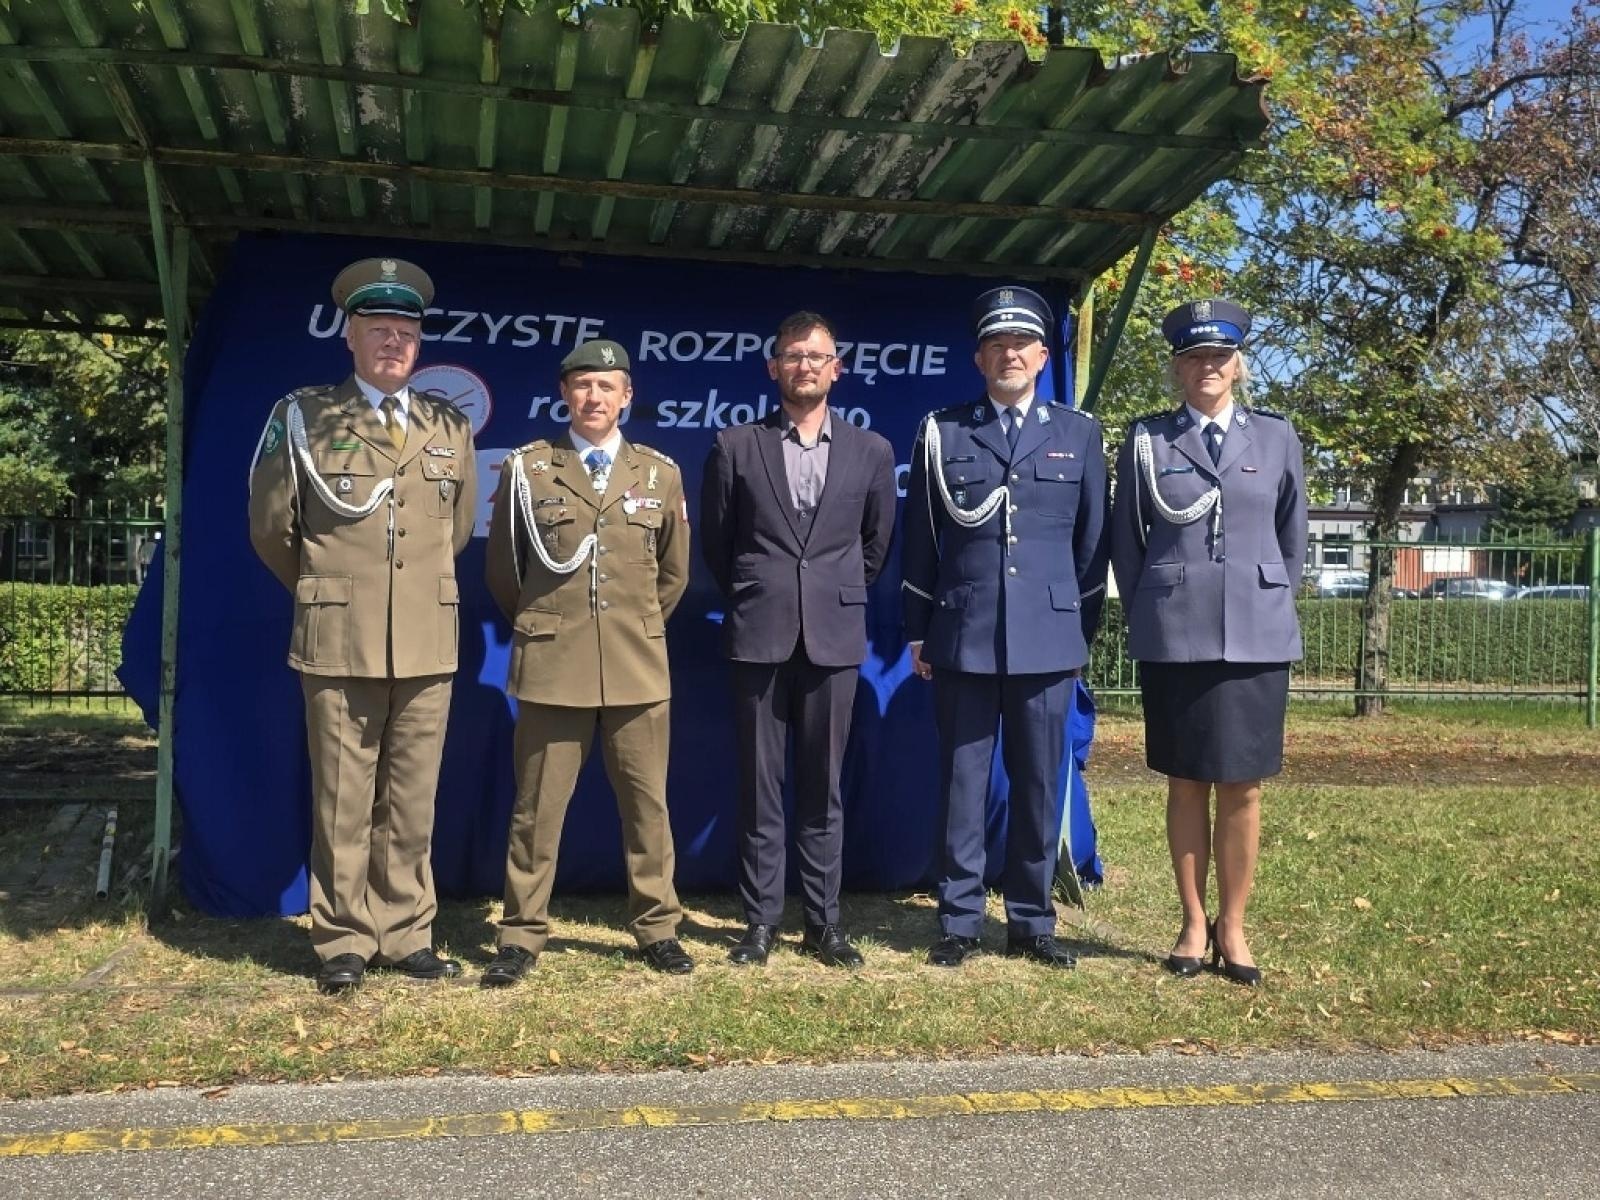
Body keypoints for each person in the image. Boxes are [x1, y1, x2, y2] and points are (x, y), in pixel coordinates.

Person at [248, 257, 478, 994]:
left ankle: (408, 930)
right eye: (378, 329)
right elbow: (269, 528)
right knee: (344, 797)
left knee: (412, 796)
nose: (392, 342)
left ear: (418, 343)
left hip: (425, 639)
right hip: (339, 640)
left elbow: (457, 529)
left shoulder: (449, 426)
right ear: (349, 336)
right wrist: (328, 592)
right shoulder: (306, 416)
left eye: (405, 331)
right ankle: (343, 937)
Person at [901, 286, 1109, 969]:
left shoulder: (1079, 434)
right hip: (963, 632)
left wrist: (1077, 632)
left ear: (1044, 356)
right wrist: (917, 629)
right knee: (962, 782)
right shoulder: (945, 431)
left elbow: (1091, 547)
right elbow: (922, 542)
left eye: (1021, 344)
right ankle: (959, 920)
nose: (1009, 354)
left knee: (1040, 783)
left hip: (1048, 639)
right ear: (978, 357)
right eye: (997, 345)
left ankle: (1031, 919)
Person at [481, 338, 694, 985]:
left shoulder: (660, 474)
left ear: (627, 395)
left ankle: (657, 927)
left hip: (635, 667)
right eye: (582, 386)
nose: (594, 397)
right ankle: (520, 935)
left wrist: (625, 625)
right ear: (564, 394)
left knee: (646, 808)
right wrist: (557, 626)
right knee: (536, 809)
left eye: (607, 386)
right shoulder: (529, 470)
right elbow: (504, 573)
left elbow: (673, 575)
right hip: (554, 666)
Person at [1109, 299, 1307, 987]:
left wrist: (1266, 599)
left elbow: (1292, 541)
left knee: (1244, 786)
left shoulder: (1279, 439)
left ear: (1238, 365)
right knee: (1187, 780)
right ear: (1177, 367)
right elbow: (1127, 543)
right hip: (1176, 631)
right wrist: (1152, 612)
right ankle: (1193, 922)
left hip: (1255, 634)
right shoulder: (1147, 440)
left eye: (1219, 357)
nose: (1207, 368)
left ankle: (1235, 925)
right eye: (1194, 357)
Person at [699, 312, 898, 968]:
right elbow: (719, 546)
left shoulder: (871, 452)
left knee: (824, 787)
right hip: (759, 634)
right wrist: (768, 594)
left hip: (835, 639)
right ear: (773, 367)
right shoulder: (735, 446)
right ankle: (758, 923)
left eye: (817, 356)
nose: (805, 365)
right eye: (793, 355)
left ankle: (823, 924)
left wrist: (826, 595)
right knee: (760, 788)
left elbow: (874, 548)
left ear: (837, 368)